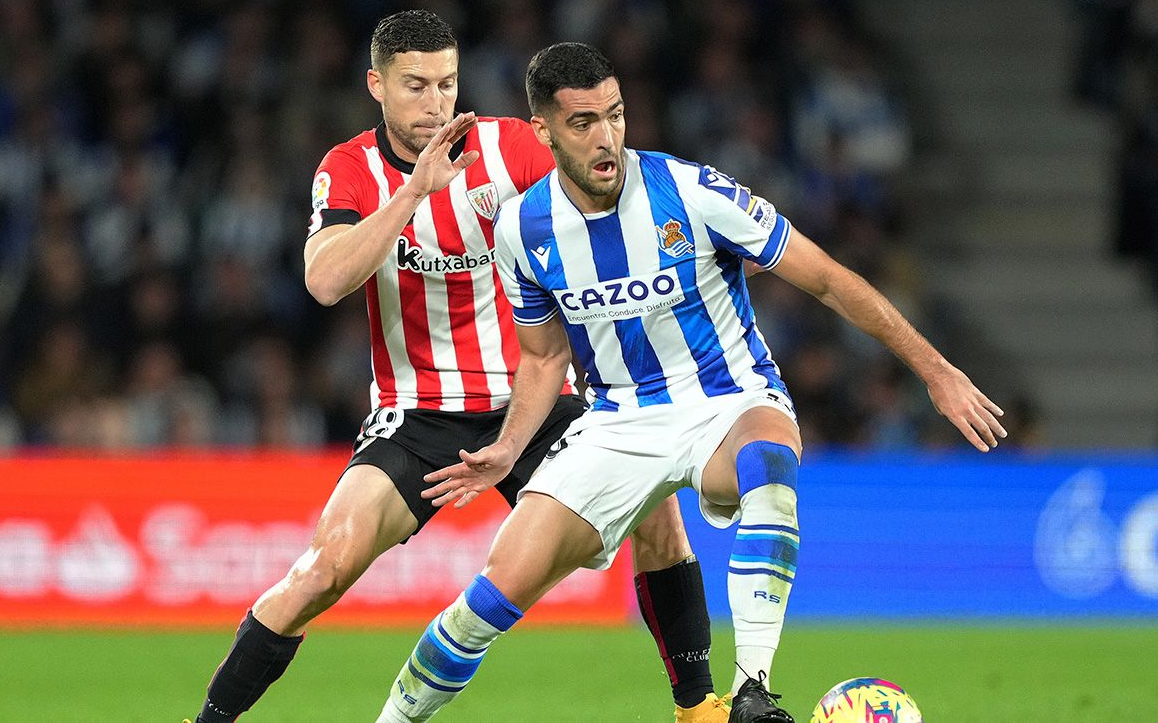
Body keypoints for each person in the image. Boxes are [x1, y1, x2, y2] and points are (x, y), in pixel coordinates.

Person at [374, 42, 1007, 723]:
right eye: (583, 123)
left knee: (770, 463)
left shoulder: (694, 192)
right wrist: (506, 446)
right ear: (544, 132)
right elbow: (541, 357)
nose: (607, 136)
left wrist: (936, 371)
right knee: (490, 598)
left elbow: (826, 277)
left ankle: (753, 690)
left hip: (727, 402)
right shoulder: (523, 229)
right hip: (615, 423)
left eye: (615, 116)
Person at [187, 12, 728, 723]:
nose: (434, 103)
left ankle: (699, 710)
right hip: (418, 413)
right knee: (324, 569)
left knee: (662, 522)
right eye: (415, 86)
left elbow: (611, 197)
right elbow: (325, 280)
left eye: (446, 84)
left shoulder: (510, 148)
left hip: (537, 402)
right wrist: (414, 191)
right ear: (376, 85)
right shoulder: (348, 169)